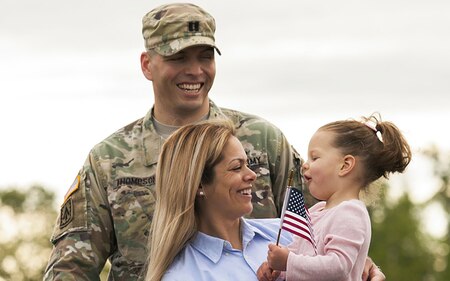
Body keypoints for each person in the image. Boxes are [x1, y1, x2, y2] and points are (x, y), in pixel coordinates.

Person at [44, 3, 384, 280]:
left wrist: (362, 264)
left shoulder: (262, 140)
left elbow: (327, 219)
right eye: (178, 58)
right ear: (148, 64)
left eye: (205, 56)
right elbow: (70, 268)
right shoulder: (110, 159)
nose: (195, 70)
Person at [257, 114, 411, 281]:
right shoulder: (317, 210)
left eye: (315, 157)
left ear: (345, 166)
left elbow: (338, 267)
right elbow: (305, 257)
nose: (305, 164)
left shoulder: (350, 213)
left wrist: (288, 261)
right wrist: (278, 270)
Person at [145, 119, 294, 281]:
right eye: (237, 167)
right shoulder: (183, 276)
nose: (252, 175)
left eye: (248, 164)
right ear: (200, 184)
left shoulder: (287, 233)